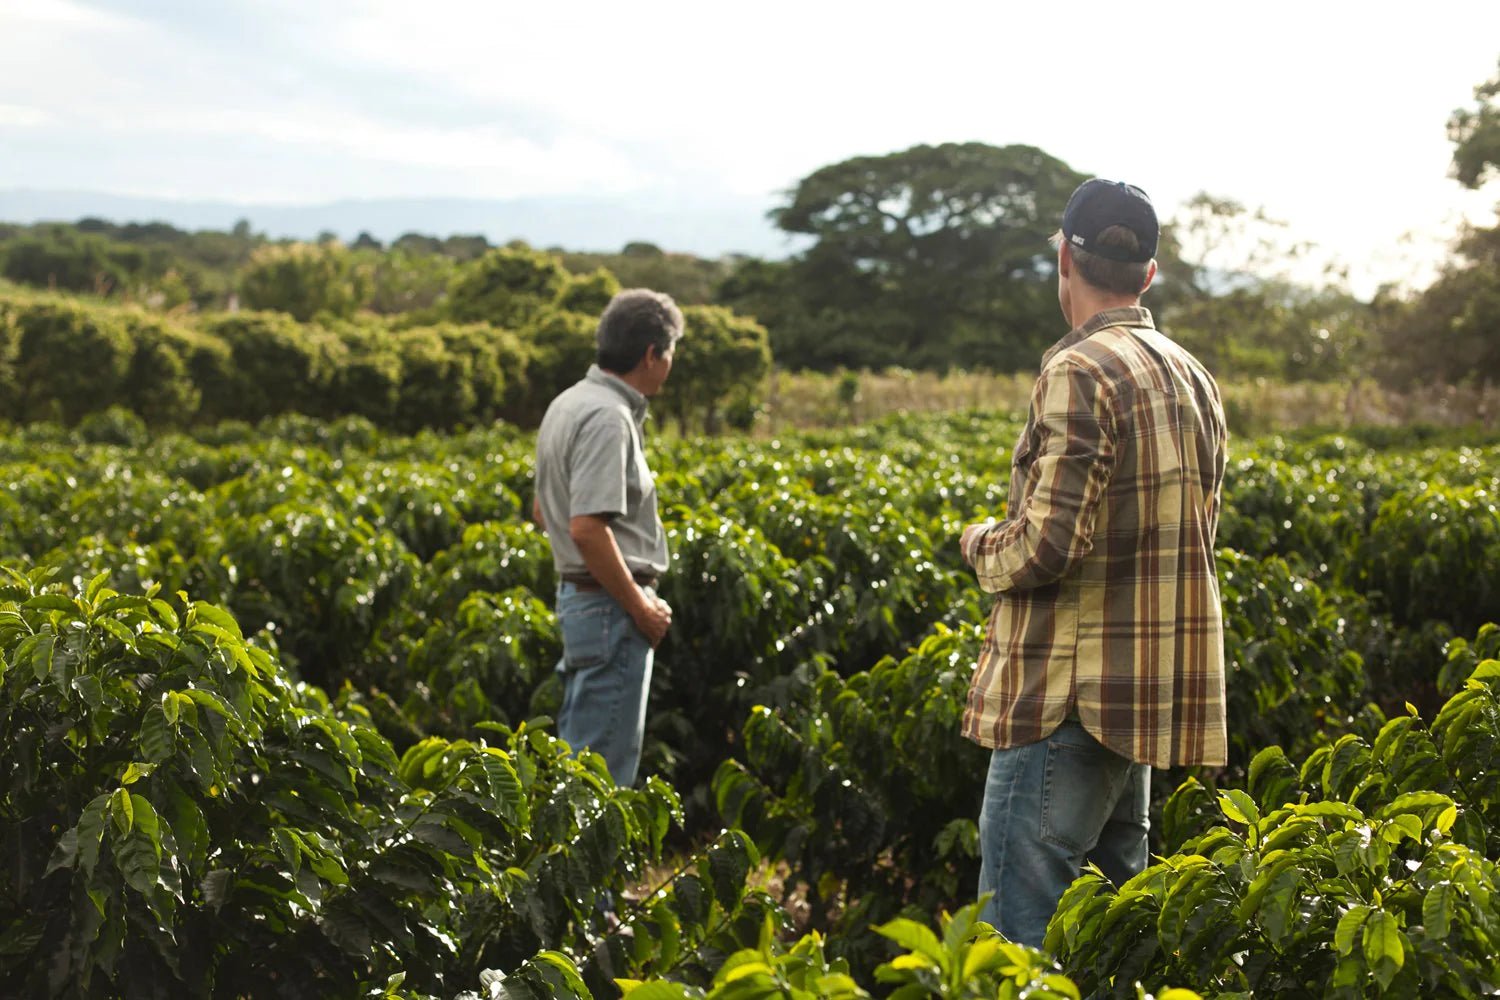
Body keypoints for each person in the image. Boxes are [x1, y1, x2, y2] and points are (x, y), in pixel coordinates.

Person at [959, 179, 1228, 947]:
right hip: (1140, 702)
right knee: (1117, 943)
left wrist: (979, 542)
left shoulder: (1079, 370)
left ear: (1062, 262)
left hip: (1063, 701)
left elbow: (1047, 546)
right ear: (1147, 275)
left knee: (1019, 937)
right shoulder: (1191, 375)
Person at [533, 288, 681, 787]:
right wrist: (640, 607)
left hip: (585, 605)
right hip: (609, 610)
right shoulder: (607, 417)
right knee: (599, 781)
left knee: (580, 762)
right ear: (651, 354)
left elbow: (543, 511)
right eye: (671, 352)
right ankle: (582, 868)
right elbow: (586, 528)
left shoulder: (570, 402)